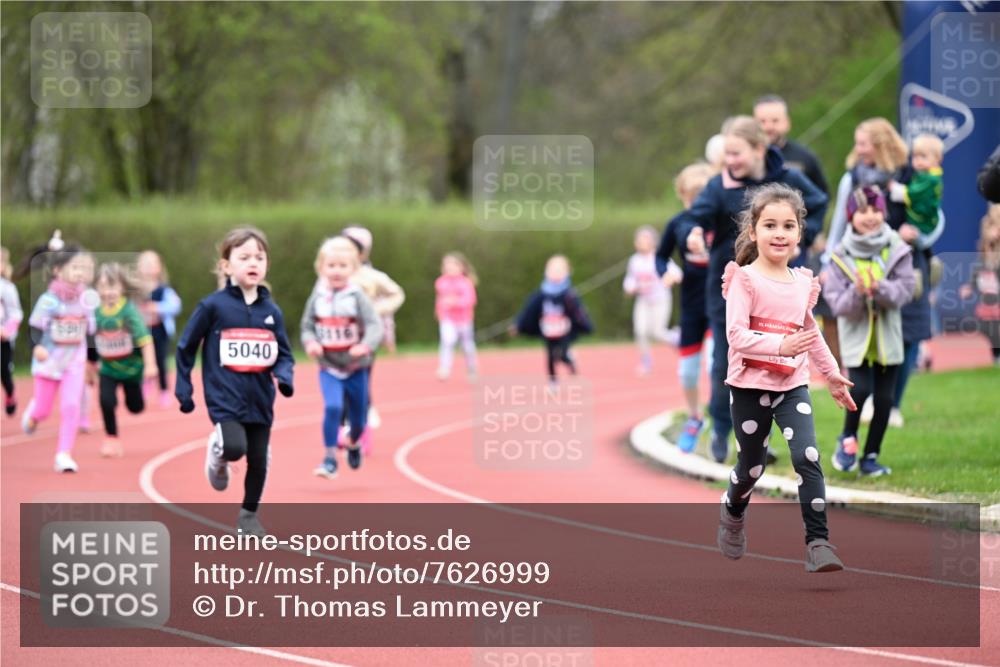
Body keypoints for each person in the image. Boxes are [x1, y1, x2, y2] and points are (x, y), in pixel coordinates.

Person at [717, 183, 855, 572]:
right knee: (752, 467)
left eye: (789, 226)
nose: (780, 234)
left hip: (792, 386)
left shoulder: (802, 283)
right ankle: (733, 510)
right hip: (748, 387)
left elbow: (810, 335)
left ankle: (818, 543)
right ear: (753, 232)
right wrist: (781, 345)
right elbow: (736, 338)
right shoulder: (743, 280)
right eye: (770, 225)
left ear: (799, 233)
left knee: (807, 457)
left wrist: (831, 375)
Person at [683, 116, 828, 463]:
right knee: (726, 364)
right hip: (731, 291)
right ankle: (721, 430)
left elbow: (819, 201)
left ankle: (758, 442)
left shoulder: (787, 180)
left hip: (777, 295)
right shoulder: (719, 187)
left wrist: (801, 239)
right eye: (726, 154)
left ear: (759, 149)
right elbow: (693, 218)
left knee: (773, 366)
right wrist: (691, 233)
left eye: (736, 153)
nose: (729, 161)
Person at [175, 227, 295, 536]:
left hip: (260, 398)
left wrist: (284, 376)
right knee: (234, 447)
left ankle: (248, 517)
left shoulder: (272, 311)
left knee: (258, 459)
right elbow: (186, 346)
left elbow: (284, 353)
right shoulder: (213, 307)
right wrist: (183, 385)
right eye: (244, 257)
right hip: (224, 395)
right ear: (227, 266)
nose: (253, 262)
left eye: (259, 257)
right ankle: (217, 454)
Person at [823, 186, 915, 477]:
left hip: (888, 338)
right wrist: (857, 292)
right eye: (863, 210)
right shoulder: (840, 254)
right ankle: (847, 440)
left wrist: (880, 288)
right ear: (851, 216)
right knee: (860, 390)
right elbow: (837, 303)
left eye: (876, 210)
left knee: (885, 400)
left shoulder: (896, 248)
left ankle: (871, 457)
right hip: (857, 338)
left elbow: (905, 291)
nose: (871, 216)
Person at [301, 236, 383, 479]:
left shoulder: (357, 297)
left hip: (356, 367)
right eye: (331, 266)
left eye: (342, 266)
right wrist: (311, 342)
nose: (336, 271)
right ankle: (329, 459)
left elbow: (375, 325)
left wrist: (365, 345)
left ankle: (354, 442)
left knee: (358, 420)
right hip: (328, 366)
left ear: (353, 269)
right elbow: (307, 325)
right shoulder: (317, 297)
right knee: (333, 407)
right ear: (321, 268)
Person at [20, 235, 98, 473]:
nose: (80, 273)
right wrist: (38, 346)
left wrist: (92, 361)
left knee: (71, 405)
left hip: (74, 361)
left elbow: (91, 331)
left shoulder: (86, 298)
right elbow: (34, 328)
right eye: (75, 267)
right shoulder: (48, 300)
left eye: (83, 268)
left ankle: (63, 454)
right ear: (57, 270)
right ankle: (33, 414)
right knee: (43, 411)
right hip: (48, 363)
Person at [657, 162, 715, 451]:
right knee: (687, 373)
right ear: (682, 194)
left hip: (722, 305)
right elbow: (660, 256)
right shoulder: (678, 223)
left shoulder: (723, 221)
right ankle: (695, 417)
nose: (698, 203)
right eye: (692, 197)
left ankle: (722, 420)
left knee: (719, 363)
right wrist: (666, 271)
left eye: (704, 196)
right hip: (691, 307)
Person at [341, 225, 404, 432]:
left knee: (361, 375)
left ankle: (364, 409)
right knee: (339, 376)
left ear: (362, 251)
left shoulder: (372, 276)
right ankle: (347, 419)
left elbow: (396, 294)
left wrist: (377, 311)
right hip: (338, 336)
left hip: (366, 336)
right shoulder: (333, 272)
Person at [93, 263, 158, 458]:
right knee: (106, 400)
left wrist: (150, 365)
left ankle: (137, 398)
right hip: (108, 369)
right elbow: (90, 339)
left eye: (112, 287)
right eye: (102, 287)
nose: (107, 292)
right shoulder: (95, 312)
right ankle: (111, 439)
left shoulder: (129, 312)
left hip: (131, 369)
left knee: (135, 407)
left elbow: (145, 339)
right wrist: (90, 367)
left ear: (121, 288)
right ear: (96, 289)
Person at [824, 118, 910, 256]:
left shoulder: (907, 175)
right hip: (859, 256)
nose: (858, 150)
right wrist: (829, 258)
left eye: (863, 144)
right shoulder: (852, 179)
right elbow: (839, 222)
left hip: (901, 254)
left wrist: (919, 237)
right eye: (857, 144)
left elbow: (929, 212)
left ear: (881, 146)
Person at [513, 255, 593, 384]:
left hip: (564, 331)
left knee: (561, 354)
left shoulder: (569, 294)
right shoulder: (541, 294)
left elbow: (578, 312)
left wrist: (586, 325)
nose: (555, 273)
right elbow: (529, 311)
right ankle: (553, 380)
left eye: (559, 270)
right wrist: (518, 325)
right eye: (552, 269)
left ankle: (570, 362)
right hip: (548, 331)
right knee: (550, 356)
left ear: (567, 273)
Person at [624, 225, 678, 377]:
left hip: (661, 300)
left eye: (645, 239)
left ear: (654, 242)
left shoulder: (660, 257)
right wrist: (630, 287)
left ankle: (676, 338)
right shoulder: (634, 261)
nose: (642, 242)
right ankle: (646, 362)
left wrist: (671, 277)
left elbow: (676, 273)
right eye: (639, 240)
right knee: (640, 331)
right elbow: (630, 280)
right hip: (643, 301)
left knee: (657, 332)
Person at [753, 94, 829, 197]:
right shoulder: (742, 159)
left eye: (775, 120)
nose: (769, 127)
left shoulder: (805, 158)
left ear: (787, 123)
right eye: (762, 121)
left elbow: (822, 198)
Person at [136, 250, 182, 409]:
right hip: (141, 333)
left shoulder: (164, 290)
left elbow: (176, 306)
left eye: (151, 264)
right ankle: (145, 384)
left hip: (159, 332)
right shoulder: (136, 291)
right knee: (141, 361)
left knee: (161, 362)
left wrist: (157, 307)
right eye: (145, 264)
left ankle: (163, 391)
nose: (148, 267)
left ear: (158, 268)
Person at [960, 205, 1000, 365]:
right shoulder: (986, 223)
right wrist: (970, 285)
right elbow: (982, 253)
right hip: (989, 275)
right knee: (987, 322)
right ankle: (995, 354)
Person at [888, 133, 944, 236]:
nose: (918, 160)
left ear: (938, 159)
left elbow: (912, 193)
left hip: (921, 224)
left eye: (923, 156)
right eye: (915, 156)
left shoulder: (930, 179)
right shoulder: (922, 175)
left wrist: (893, 187)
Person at [435, 251, 478, 382]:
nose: (450, 268)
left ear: (461, 267)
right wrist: (439, 311)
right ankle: (444, 368)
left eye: (453, 265)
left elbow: (471, 300)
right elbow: (439, 299)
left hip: (464, 320)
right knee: (447, 341)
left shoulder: (466, 283)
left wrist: (455, 302)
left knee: (467, 347)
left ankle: (472, 369)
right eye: (447, 265)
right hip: (448, 319)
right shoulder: (440, 282)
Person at [1, 246, 23, 416]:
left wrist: (6, 331)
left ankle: (10, 393)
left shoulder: (7, 288)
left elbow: (15, 313)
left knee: (4, 372)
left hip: (3, 340)